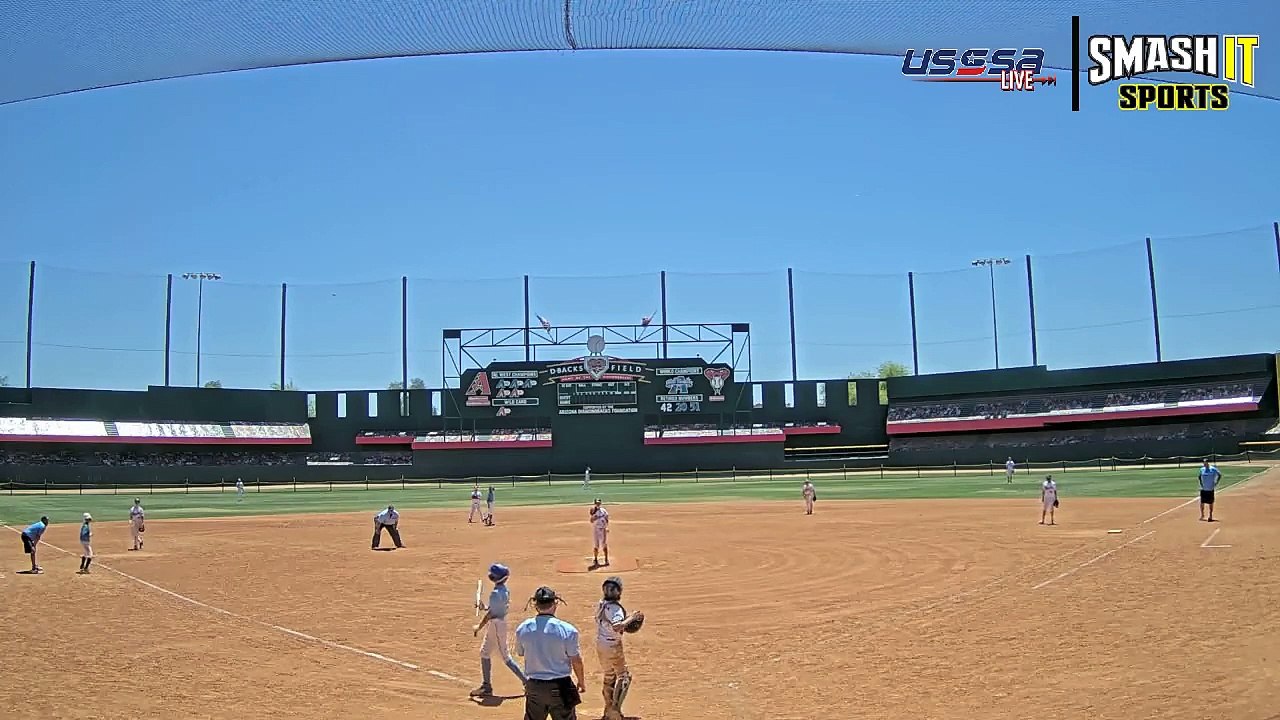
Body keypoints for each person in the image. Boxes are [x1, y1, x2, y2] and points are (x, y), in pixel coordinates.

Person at [515, 586, 586, 720]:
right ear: (555, 604)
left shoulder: (523, 628)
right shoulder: (568, 630)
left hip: (535, 687)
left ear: (535, 605)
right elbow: (576, 660)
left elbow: (521, 653)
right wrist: (581, 682)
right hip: (561, 687)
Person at [470, 563, 526, 698]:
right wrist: (484, 607)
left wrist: (479, 626)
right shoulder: (503, 590)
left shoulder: (496, 593)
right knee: (484, 653)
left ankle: (527, 682)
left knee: (505, 657)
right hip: (498, 623)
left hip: (496, 625)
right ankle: (486, 686)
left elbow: (491, 614)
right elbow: (494, 608)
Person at [595, 576, 644, 720]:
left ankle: (607, 712)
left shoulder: (602, 603)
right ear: (619, 591)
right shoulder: (615, 609)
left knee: (609, 677)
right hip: (612, 646)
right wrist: (632, 618)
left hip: (601, 644)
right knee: (624, 677)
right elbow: (617, 626)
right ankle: (615, 713)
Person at [590, 498, 610, 568]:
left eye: (599, 502)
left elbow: (607, 519)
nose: (598, 504)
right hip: (596, 530)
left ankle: (606, 559)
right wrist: (594, 514)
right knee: (596, 545)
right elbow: (591, 520)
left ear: (601, 503)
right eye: (597, 503)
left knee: (604, 545)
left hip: (603, 529)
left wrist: (607, 527)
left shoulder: (604, 511)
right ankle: (595, 559)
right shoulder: (593, 510)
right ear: (595, 503)